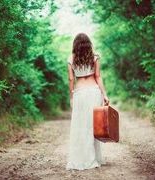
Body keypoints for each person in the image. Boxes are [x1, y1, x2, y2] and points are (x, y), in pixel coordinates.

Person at [66, 33, 109, 170]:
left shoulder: (71, 58)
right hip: (94, 92)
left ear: (75, 45)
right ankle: (93, 158)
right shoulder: (95, 56)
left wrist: (71, 96)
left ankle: (81, 158)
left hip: (79, 93)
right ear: (88, 43)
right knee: (93, 125)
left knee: (80, 125)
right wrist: (105, 94)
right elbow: (98, 76)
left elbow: (71, 79)